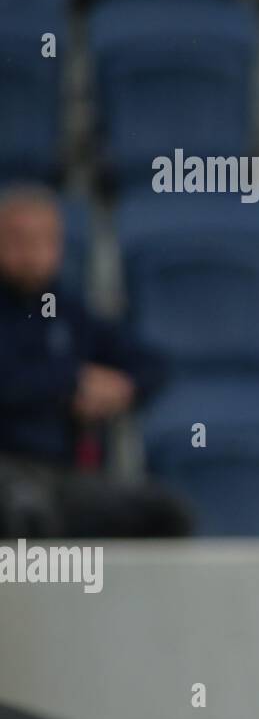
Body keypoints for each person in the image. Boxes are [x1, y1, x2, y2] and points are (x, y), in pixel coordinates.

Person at [0, 183, 191, 538]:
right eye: (18, 239)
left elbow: (152, 364)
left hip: (66, 479)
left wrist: (122, 388)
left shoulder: (69, 313)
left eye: (43, 240)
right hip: (8, 469)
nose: (31, 252)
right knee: (22, 508)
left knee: (164, 513)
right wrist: (71, 384)